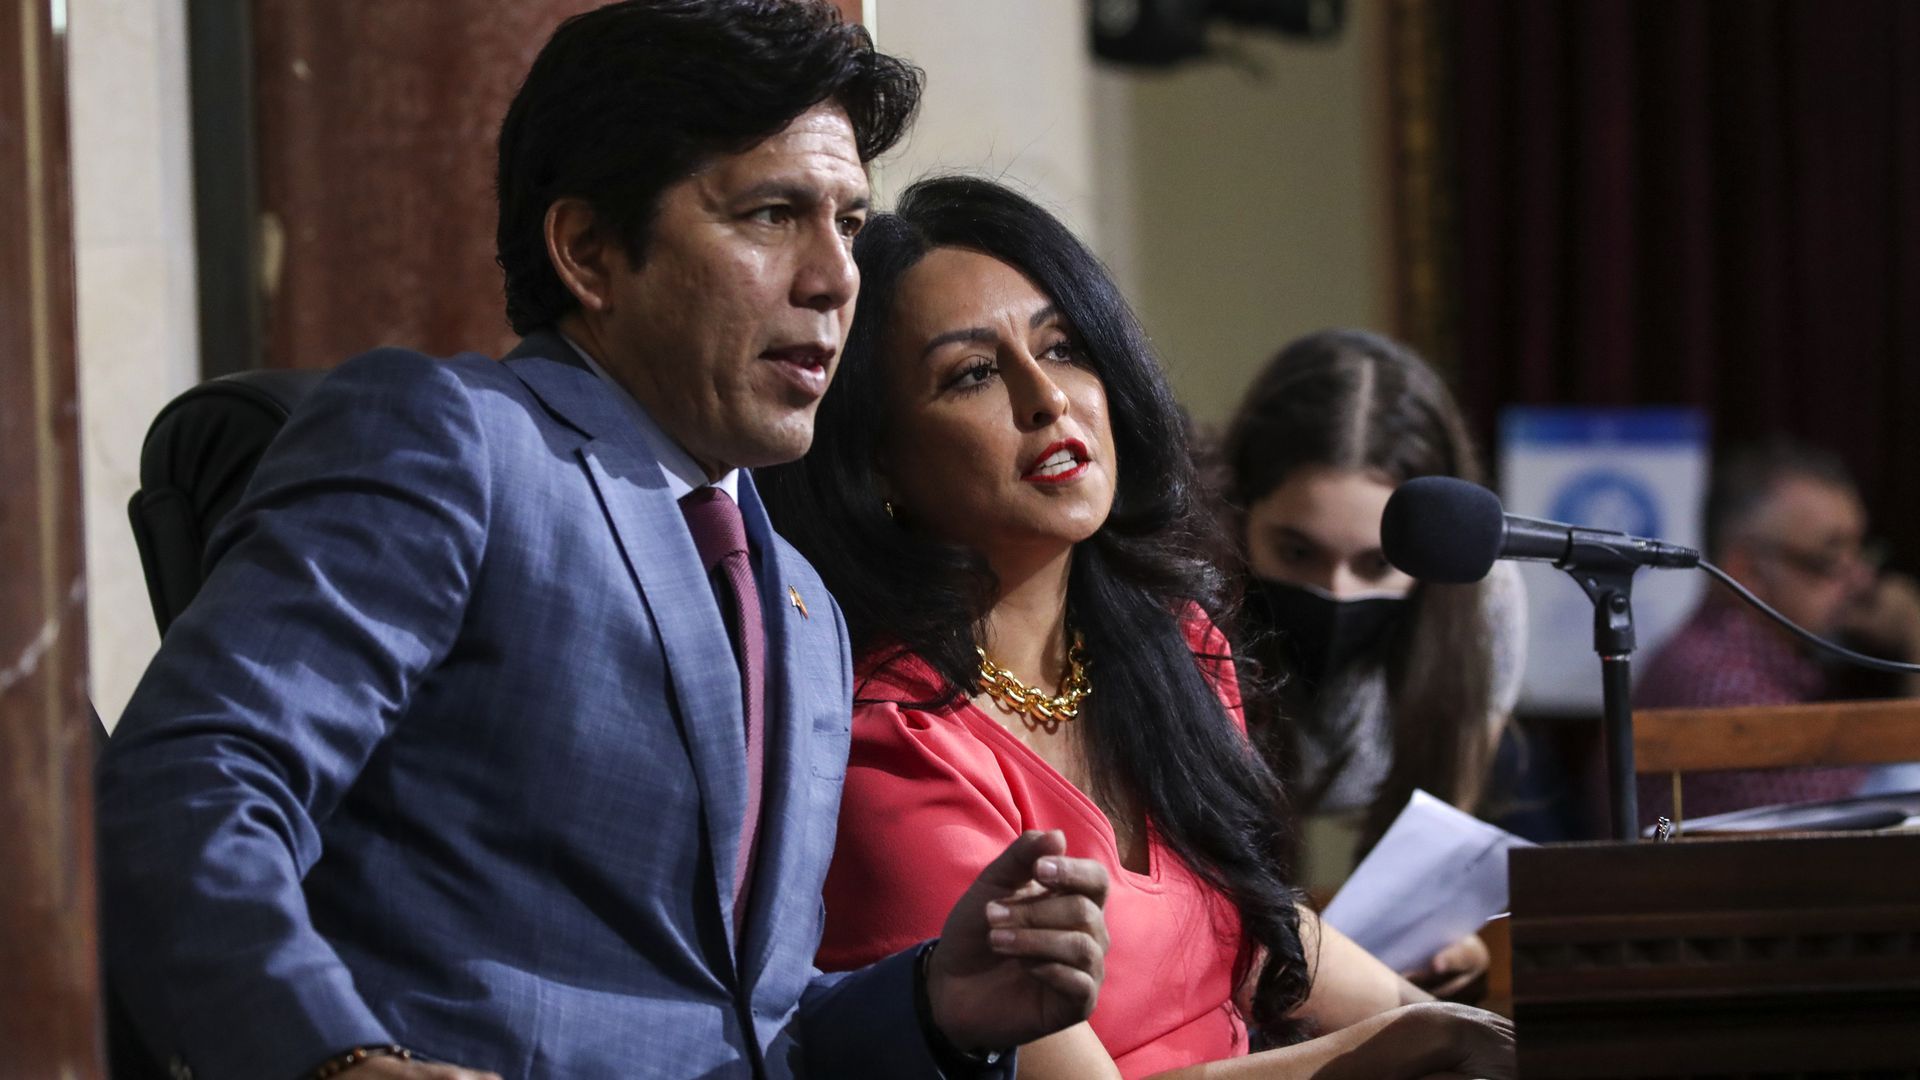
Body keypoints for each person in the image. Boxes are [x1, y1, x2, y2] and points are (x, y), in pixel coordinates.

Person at [94, 5, 1110, 1079]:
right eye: (771, 215)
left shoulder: (802, 599)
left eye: (849, 223)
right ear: (588, 252)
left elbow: (744, 1022)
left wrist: (934, 1005)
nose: (834, 278)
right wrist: (331, 1059)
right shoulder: (454, 441)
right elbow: (191, 783)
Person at [758, 176, 1514, 1079]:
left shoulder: (1172, 638)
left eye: (1063, 347)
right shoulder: (893, 745)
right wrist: (1401, 1045)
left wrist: (1456, 1027)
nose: (1048, 398)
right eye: (974, 374)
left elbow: (1253, 921)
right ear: (880, 459)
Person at [1219, 329, 1527, 993]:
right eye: (1297, 552)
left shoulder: (1482, 600)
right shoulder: (1192, 593)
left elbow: (1429, 865)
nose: (1336, 591)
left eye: (1377, 563)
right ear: (1239, 513)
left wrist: (1433, 942)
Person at [1635, 437, 1920, 822]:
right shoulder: (1722, 685)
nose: (1862, 580)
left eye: (1860, 551)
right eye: (1831, 556)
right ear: (1748, 569)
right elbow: (1880, 825)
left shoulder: (1748, 663)